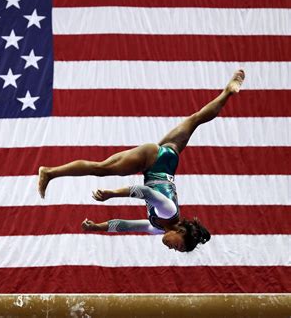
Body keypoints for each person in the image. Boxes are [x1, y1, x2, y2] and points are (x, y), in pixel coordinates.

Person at [38, 70, 246, 252]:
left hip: (167, 160)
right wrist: (112, 194)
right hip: (152, 160)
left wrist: (96, 227)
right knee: (100, 168)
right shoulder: (169, 212)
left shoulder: (158, 226)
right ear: (180, 231)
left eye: (177, 250)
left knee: (196, 119)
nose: (173, 248)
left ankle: (228, 91)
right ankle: (49, 172)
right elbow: (146, 192)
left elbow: (126, 226)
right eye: (179, 245)